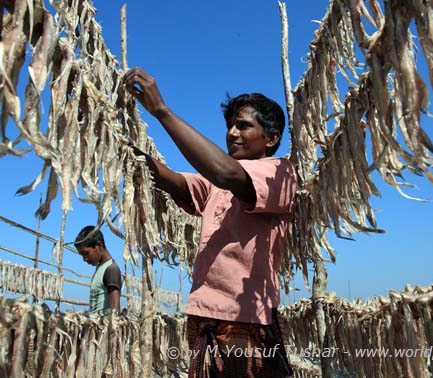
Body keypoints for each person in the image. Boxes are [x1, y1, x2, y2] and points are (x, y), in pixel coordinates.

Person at [123, 67, 297, 378]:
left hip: (245, 318)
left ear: (271, 138)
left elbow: (225, 172)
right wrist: (120, 144)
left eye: (243, 126)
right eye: (230, 126)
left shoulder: (278, 172)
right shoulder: (218, 184)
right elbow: (172, 180)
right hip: (203, 317)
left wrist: (161, 112)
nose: (232, 133)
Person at [75, 225, 122, 314]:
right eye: (82, 255)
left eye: (86, 253)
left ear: (99, 246)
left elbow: (114, 313)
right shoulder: (100, 268)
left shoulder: (111, 269)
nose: (84, 259)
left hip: (103, 327)